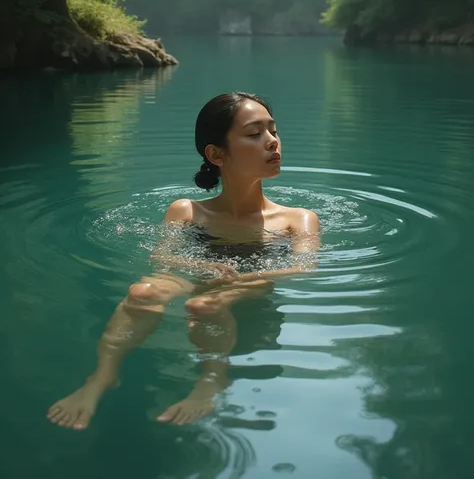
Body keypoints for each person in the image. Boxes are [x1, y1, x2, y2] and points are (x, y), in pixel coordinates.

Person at [47, 91, 320, 430]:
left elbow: (303, 266)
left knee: (205, 304)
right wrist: (203, 267)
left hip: (255, 286)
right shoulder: (187, 211)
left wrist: (240, 283)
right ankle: (101, 377)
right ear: (216, 154)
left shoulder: (297, 219)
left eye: (273, 131)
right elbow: (162, 256)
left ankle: (211, 380)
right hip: (203, 270)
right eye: (255, 134)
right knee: (142, 292)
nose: (272, 142)